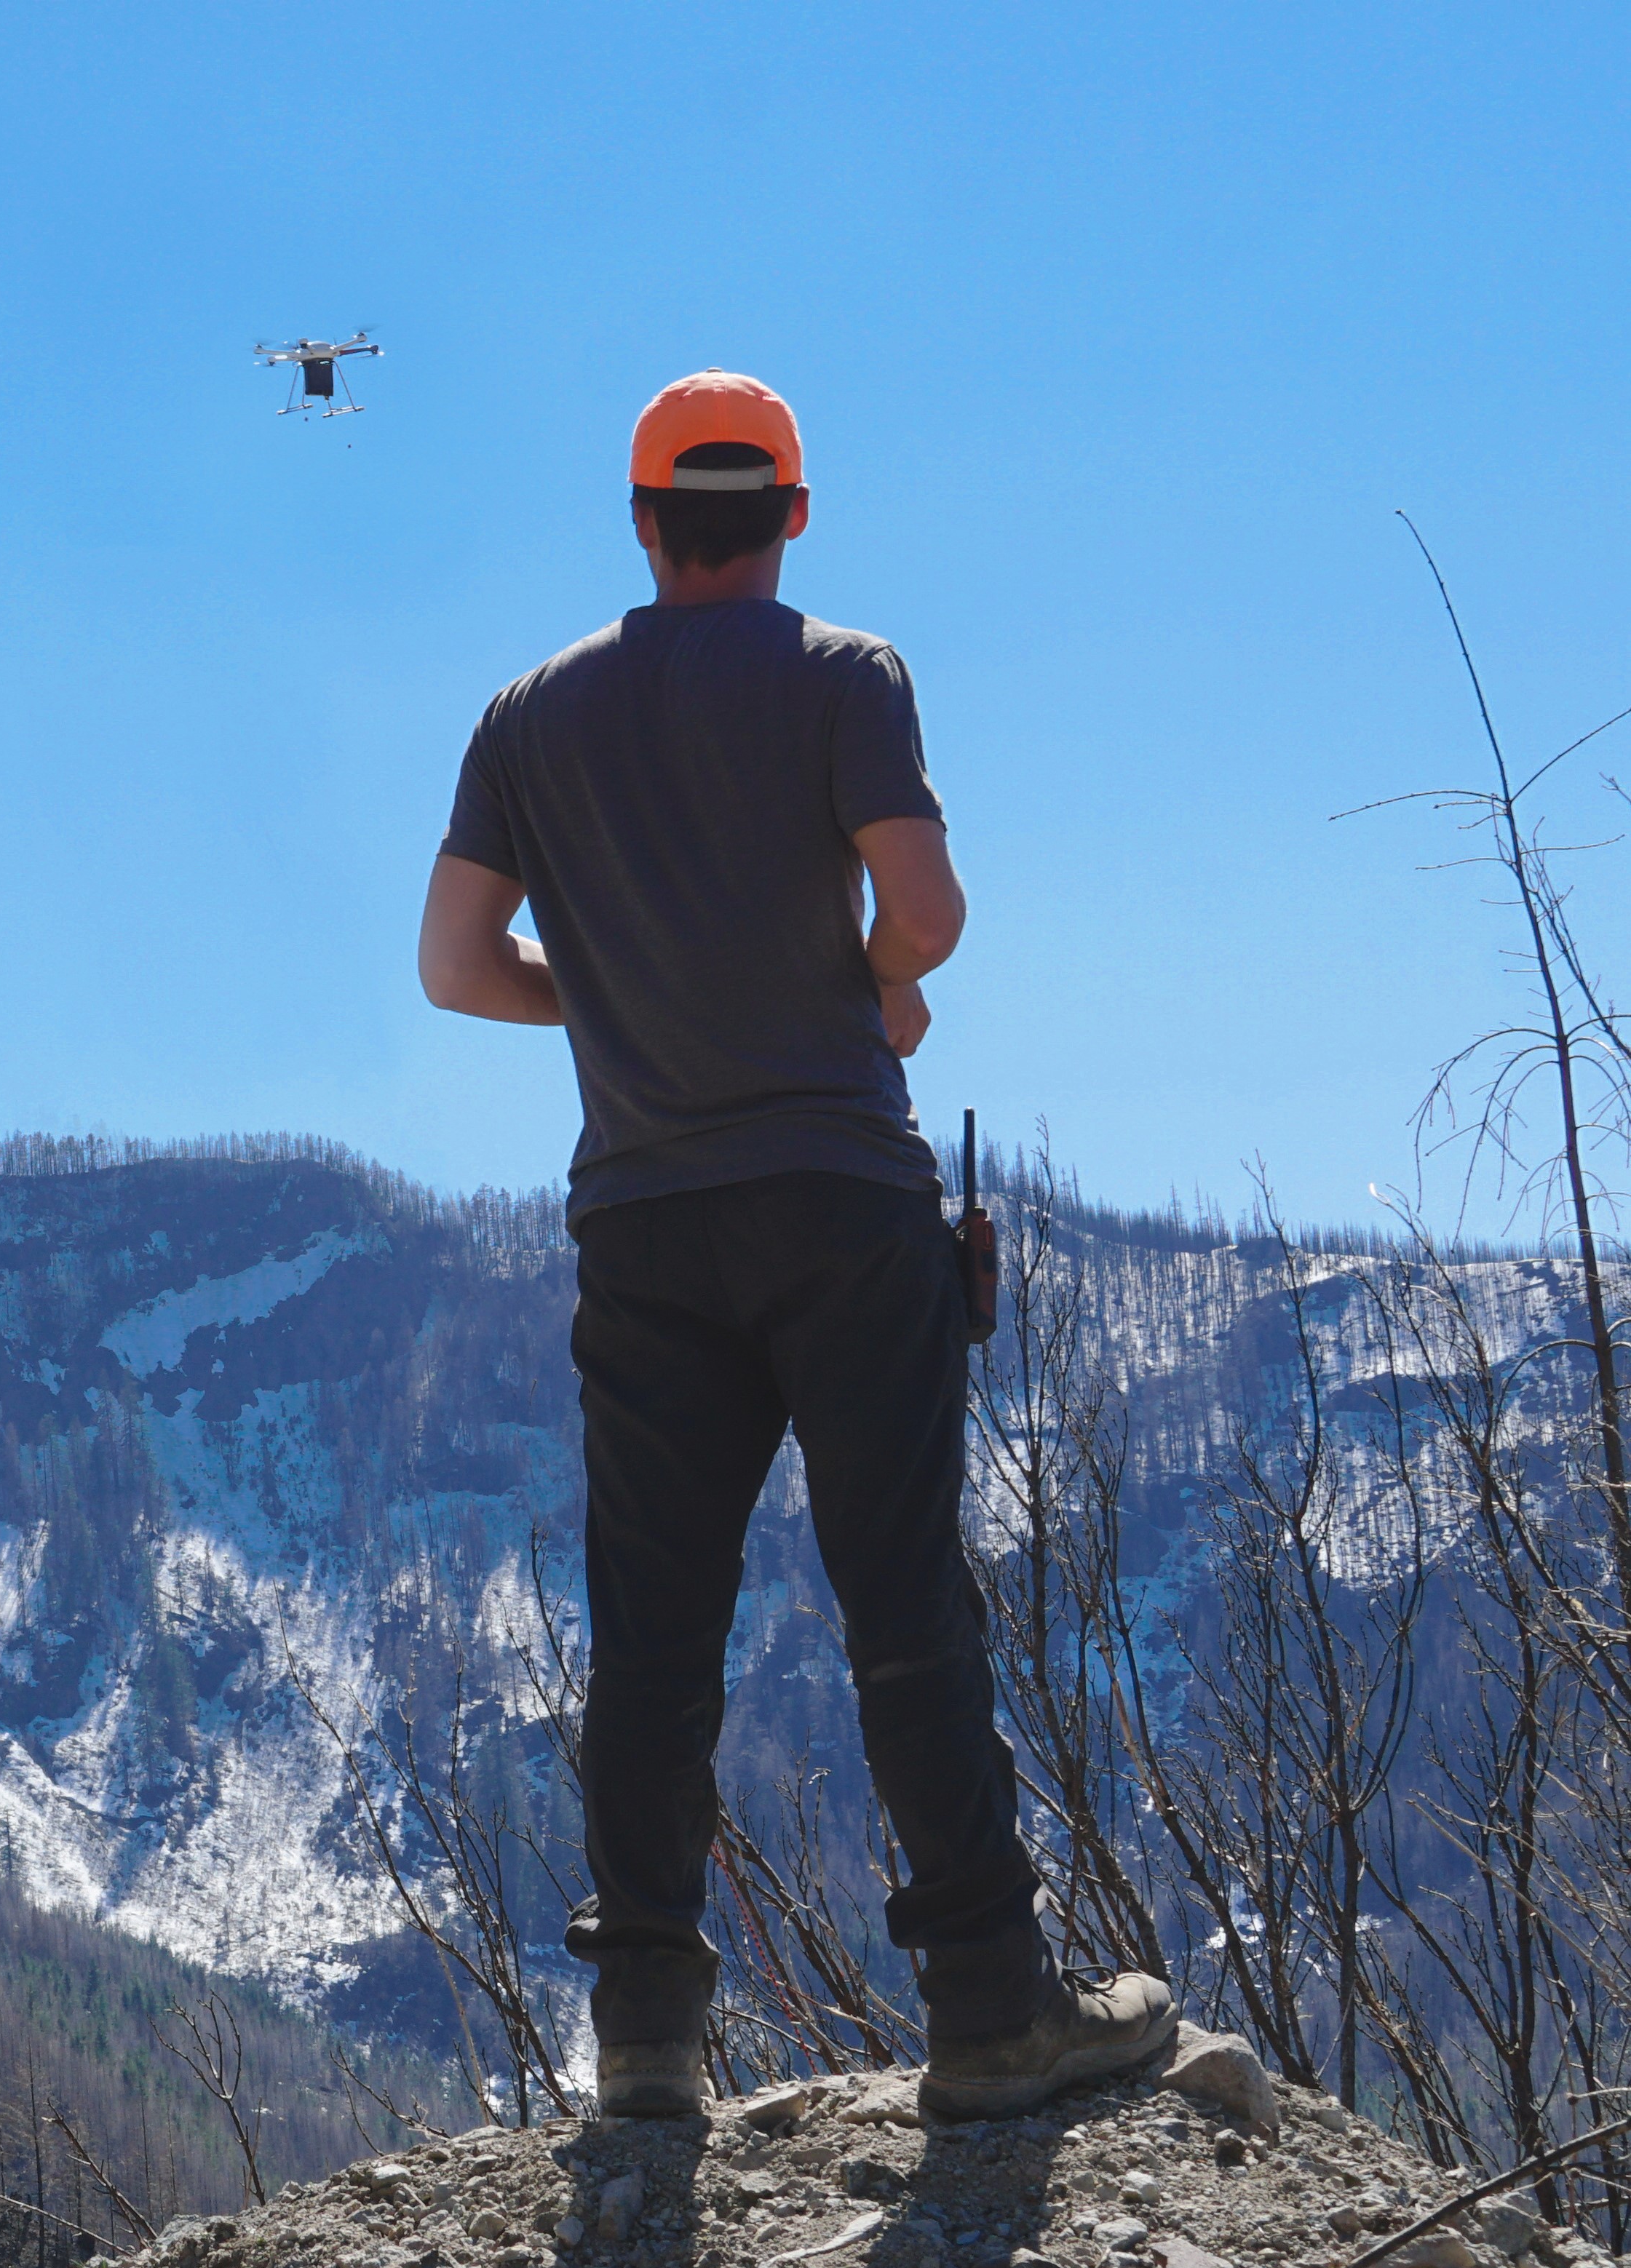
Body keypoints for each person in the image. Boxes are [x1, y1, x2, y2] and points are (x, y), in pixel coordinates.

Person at [413, 369, 1174, 2121]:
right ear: (793, 517)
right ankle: (988, 2008)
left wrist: (611, 1003)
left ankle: (648, 2047)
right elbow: (924, 911)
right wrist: (872, 989)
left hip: (642, 1221)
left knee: (654, 1630)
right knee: (900, 1590)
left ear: (638, 521)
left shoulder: (527, 715)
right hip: (838, 1198)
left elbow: (453, 968)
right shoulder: (844, 675)